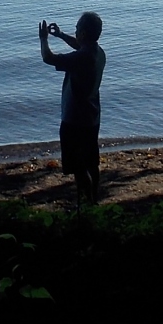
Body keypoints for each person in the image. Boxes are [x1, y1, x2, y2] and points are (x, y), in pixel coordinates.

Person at [39, 12, 106, 206]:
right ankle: (93, 200)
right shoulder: (97, 52)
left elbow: (48, 57)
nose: (75, 32)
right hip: (92, 117)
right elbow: (79, 45)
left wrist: (43, 39)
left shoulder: (82, 57)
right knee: (91, 162)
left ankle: (87, 204)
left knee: (78, 166)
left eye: (77, 29)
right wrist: (60, 35)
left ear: (83, 33)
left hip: (75, 119)